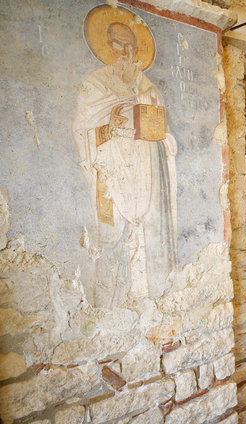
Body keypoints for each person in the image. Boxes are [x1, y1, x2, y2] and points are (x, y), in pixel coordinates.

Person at [72, 10, 177, 308]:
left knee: (147, 236)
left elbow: (165, 136)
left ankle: (150, 302)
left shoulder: (148, 89)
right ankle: (110, 307)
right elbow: (81, 132)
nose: (125, 52)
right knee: (110, 236)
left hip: (145, 177)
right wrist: (109, 126)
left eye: (131, 45)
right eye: (118, 44)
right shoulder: (95, 84)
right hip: (110, 178)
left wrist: (158, 135)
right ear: (107, 46)